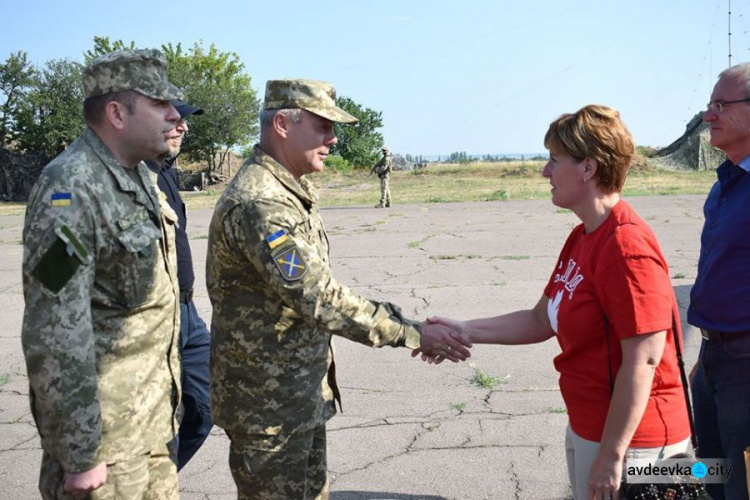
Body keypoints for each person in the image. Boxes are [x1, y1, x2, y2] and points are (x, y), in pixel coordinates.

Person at [206, 78, 473, 500]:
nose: (332, 138)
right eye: (322, 126)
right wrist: (413, 332)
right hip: (268, 409)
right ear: (282, 124)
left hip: (294, 397)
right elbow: (320, 298)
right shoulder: (261, 203)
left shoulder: (288, 189)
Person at [418, 105, 691, 500]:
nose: (545, 172)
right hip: (590, 427)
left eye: (553, 160)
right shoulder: (584, 236)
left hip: (638, 444)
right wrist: (462, 329)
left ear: (588, 168)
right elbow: (540, 319)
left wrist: (613, 457)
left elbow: (644, 360)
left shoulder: (626, 246)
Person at [21, 49, 183, 499]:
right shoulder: (70, 188)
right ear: (116, 112)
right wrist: (80, 452)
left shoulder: (139, 178)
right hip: (107, 449)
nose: (175, 116)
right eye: (159, 104)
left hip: (152, 429)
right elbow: (54, 329)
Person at [689, 62, 750, 500]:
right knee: (707, 474)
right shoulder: (725, 181)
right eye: (709, 105)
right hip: (713, 359)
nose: (708, 116)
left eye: (720, 105)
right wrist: (706, 353)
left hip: (745, 368)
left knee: (740, 485)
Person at [145, 100, 213, 471]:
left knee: (203, 411)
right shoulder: (122, 176)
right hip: (152, 320)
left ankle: (153, 486)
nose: (182, 126)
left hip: (187, 313)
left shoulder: (165, 171)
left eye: (184, 119)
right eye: (173, 118)